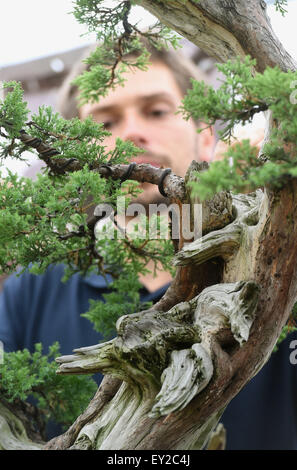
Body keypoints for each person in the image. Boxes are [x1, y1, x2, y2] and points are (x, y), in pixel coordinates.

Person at [0, 40, 296, 450]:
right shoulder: (31, 289)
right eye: (103, 123)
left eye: (156, 110)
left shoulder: (278, 256)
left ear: (207, 134)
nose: (132, 132)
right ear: (68, 159)